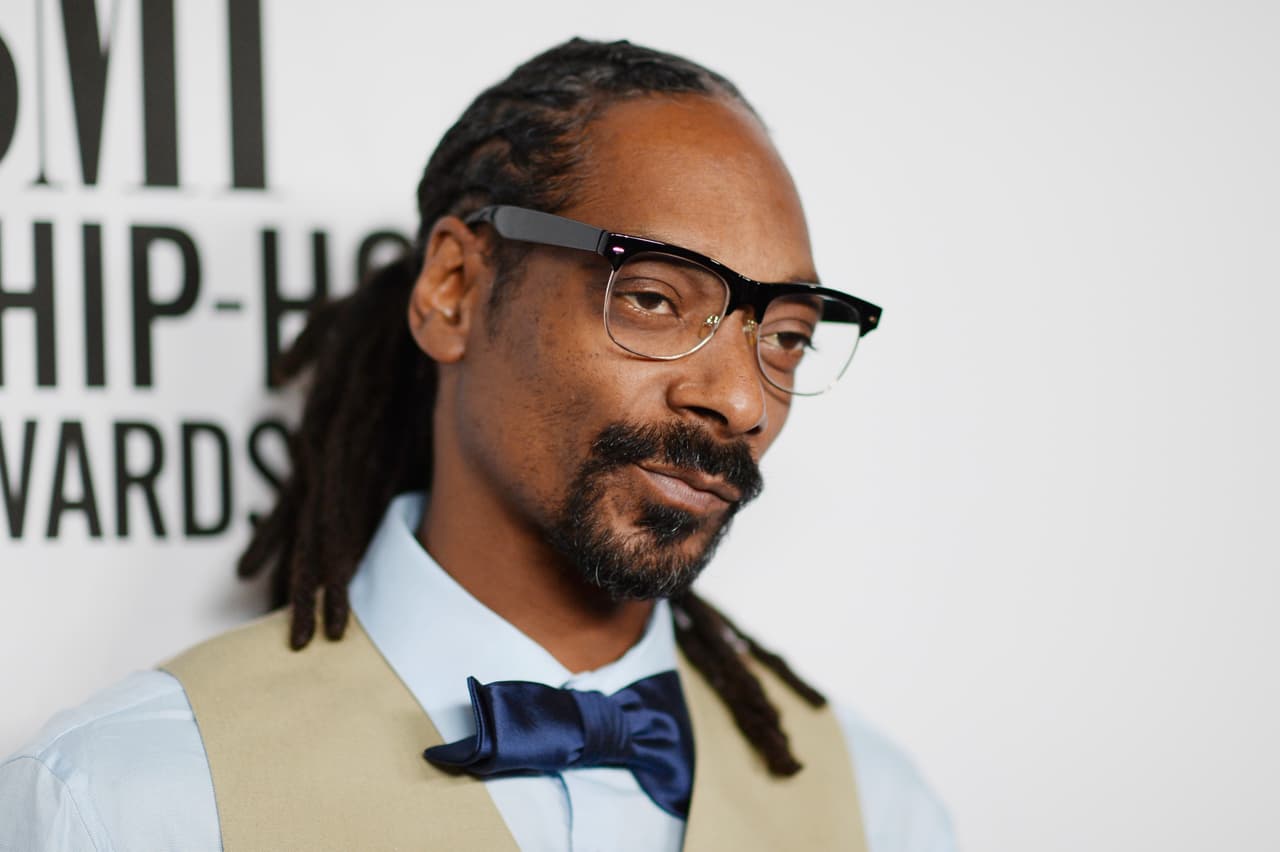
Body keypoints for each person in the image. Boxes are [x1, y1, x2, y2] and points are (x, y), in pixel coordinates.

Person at [0, 38, 955, 851]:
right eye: (656, 299)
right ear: (456, 288)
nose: (743, 397)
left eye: (785, 334)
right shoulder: (123, 802)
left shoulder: (880, 811)